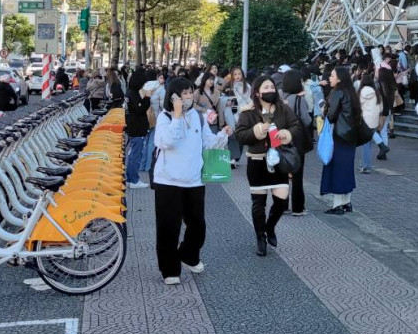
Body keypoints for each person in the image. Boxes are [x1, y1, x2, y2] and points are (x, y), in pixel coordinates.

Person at [152, 77, 233, 284]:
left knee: (198, 226)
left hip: (194, 180)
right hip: (168, 181)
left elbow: (208, 142)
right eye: (183, 94)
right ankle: (170, 270)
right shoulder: (165, 117)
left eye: (190, 93)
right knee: (168, 228)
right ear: (173, 96)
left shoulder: (198, 117)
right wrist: (177, 117)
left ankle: (188, 254)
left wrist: (222, 135)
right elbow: (165, 142)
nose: (187, 97)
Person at [234, 76, 304, 256]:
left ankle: (270, 227)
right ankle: (260, 238)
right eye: (266, 87)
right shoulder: (248, 112)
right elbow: (240, 135)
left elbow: (297, 126)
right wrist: (257, 130)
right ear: (257, 92)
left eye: (272, 87)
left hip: (279, 161)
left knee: (282, 200)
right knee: (258, 203)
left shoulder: (283, 108)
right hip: (257, 161)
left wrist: (286, 133)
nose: (271, 90)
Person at [321, 65, 362, 214]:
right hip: (350, 136)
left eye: (332, 76)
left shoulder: (337, 92)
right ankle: (347, 202)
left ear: (339, 78)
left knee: (337, 168)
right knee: (347, 169)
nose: (329, 78)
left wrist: (324, 111)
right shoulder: (351, 92)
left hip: (338, 135)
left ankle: (337, 205)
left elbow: (331, 116)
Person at [280, 69, 314, 215]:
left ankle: (282, 206)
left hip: (281, 140)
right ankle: (298, 208)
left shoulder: (279, 98)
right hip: (296, 141)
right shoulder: (300, 99)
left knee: (282, 174)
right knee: (297, 176)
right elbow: (307, 120)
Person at [124, 67, 151, 188]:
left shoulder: (129, 92)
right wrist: (147, 98)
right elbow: (140, 109)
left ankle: (131, 178)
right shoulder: (133, 94)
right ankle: (133, 179)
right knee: (136, 154)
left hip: (133, 126)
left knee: (133, 154)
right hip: (137, 128)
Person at [358, 75, 383, 174]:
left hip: (364, 120)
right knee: (368, 144)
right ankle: (366, 163)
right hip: (374, 120)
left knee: (365, 144)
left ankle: (366, 166)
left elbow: (358, 106)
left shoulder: (361, 92)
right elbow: (381, 108)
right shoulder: (376, 92)